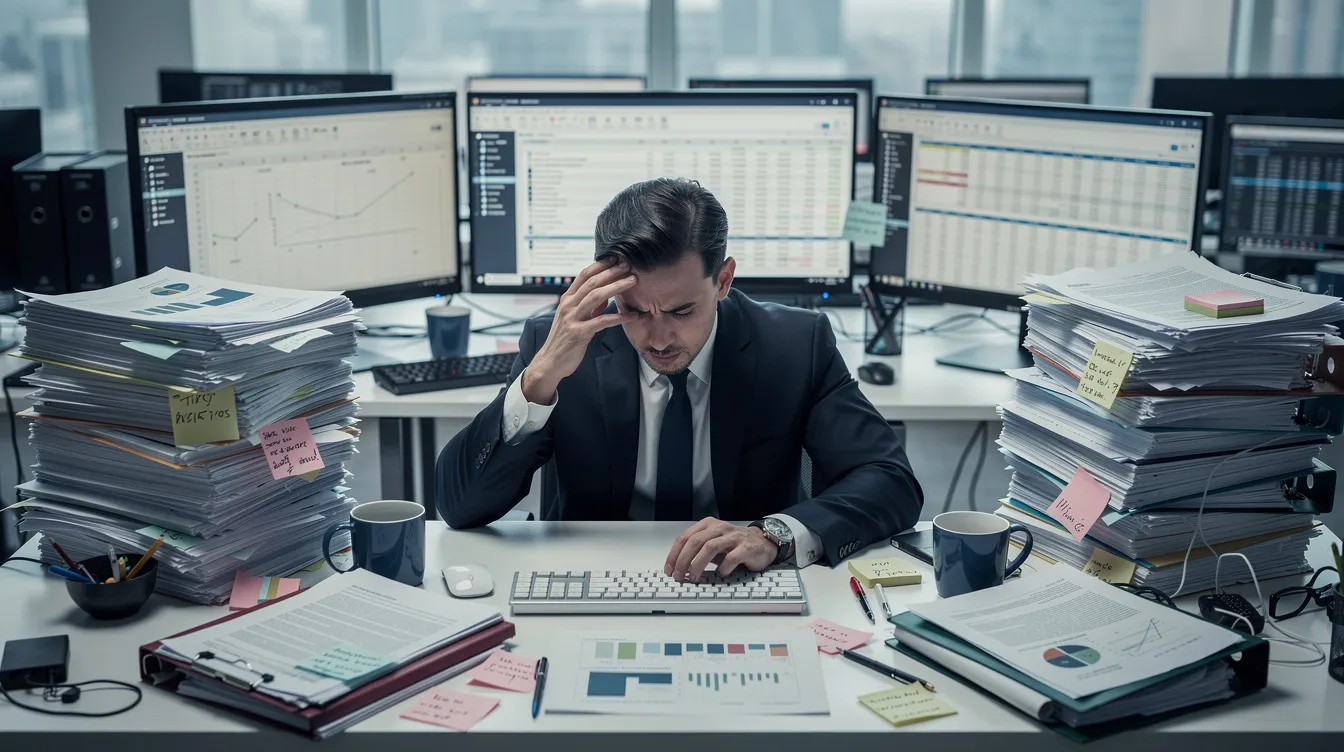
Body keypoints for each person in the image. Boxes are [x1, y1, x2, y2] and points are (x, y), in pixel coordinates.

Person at [436, 177, 923, 581]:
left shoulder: (796, 344)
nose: (659, 337)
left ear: (724, 281)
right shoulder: (561, 344)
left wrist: (771, 535)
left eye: (681, 310)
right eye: (633, 310)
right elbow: (459, 508)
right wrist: (539, 378)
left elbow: (891, 482)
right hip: (593, 578)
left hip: (742, 580)